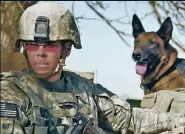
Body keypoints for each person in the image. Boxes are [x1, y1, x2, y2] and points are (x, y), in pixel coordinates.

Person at [1, 2, 185, 134]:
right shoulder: (10, 91)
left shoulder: (83, 89)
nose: (40, 53)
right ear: (25, 49)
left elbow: (130, 120)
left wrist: (178, 121)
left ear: (66, 49)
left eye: (49, 45)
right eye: (33, 45)